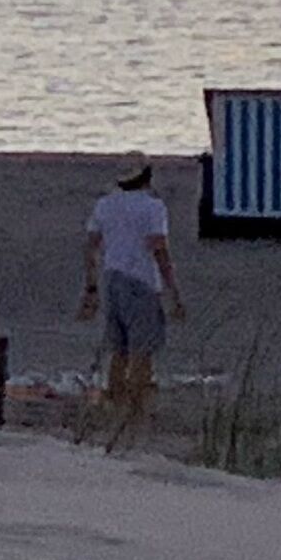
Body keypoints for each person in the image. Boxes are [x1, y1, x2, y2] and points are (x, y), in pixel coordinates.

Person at [78, 157, 183, 430]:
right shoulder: (152, 207)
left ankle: (116, 402)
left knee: (119, 348)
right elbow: (159, 249)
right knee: (141, 350)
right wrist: (173, 291)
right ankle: (136, 410)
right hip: (141, 281)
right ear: (147, 177)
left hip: (112, 278)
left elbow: (91, 247)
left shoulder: (105, 204)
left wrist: (91, 287)